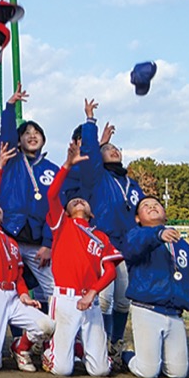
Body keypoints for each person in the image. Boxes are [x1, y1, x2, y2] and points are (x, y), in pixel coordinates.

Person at [41, 105, 121, 378]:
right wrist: (66, 165)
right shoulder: (61, 225)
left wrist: (92, 291)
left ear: (91, 211)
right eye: (73, 200)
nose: (77, 200)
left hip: (90, 299)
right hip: (64, 299)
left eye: (83, 201)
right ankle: (53, 351)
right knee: (61, 370)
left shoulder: (100, 235)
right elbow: (53, 196)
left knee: (99, 371)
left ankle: (94, 351)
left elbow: (110, 270)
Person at [0, 144, 54, 372]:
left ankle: (21, 347)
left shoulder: (10, 241)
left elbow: (19, 274)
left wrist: (24, 295)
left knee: (46, 324)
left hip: (13, 296)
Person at [119, 196, 189, 378]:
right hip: (147, 310)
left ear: (165, 214)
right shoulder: (136, 236)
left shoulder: (182, 247)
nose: (152, 207)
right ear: (137, 218)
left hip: (175, 315)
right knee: (148, 372)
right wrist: (157, 235)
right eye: (146, 206)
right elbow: (131, 249)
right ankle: (123, 354)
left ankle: (155, 355)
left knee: (178, 373)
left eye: (156, 205)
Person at [76, 103, 141, 353]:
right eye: (108, 149)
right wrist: (90, 121)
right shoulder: (96, 177)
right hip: (103, 243)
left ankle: (115, 342)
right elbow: (91, 152)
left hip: (127, 246)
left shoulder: (131, 183)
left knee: (124, 299)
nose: (113, 151)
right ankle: (99, 341)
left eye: (116, 149)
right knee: (104, 298)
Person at [0, 85, 59, 305]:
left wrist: (48, 243)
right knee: (10, 289)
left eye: (37, 133)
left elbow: (55, 209)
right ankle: (18, 338)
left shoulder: (53, 169)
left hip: (37, 242)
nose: (32, 136)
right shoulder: (12, 159)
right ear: (19, 140)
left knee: (53, 288)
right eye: (27, 134)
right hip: (9, 233)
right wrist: (10, 108)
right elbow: (6, 136)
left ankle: (54, 336)